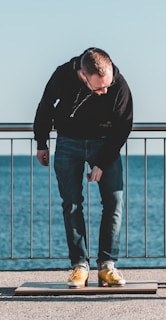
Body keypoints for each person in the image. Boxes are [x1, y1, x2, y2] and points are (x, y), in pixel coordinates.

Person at [34, 47, 133, 288]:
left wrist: (102, 162)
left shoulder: (118, 84)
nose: (105, 90)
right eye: (99, 87)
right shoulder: (63, 75)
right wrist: (42, 142)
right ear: (82, 75)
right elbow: (46, 105)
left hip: (105, 143)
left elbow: (123, 126)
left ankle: (107, 265)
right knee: (72, 204)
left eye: (107, 84)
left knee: (115, 202)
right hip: (69, 142)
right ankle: (80, 266)